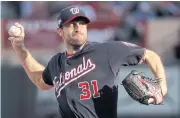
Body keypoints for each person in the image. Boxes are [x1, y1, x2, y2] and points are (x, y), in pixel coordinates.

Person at [8, 6, 167, 118]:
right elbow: (41, 81)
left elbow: (150, 56)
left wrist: (162, 87)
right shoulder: (56, 63)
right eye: (72, 24)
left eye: (82, 23)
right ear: (60, 31)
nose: (78, 27)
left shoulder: (107, 51)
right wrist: (20, 48)